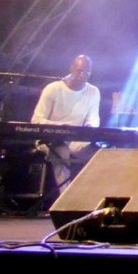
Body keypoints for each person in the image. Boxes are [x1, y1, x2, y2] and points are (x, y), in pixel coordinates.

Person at [30, 54, 100, 189]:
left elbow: (93, 119)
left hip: (76, 139)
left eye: (87, 73)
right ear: (71, 69)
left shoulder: (93, 91)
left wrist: (90, 127)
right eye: (79, 71)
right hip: (49, 139)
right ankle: (65, 197)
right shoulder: (53, 88)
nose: (82, 75)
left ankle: (90, 194)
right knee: (61, 150)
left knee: (98, 153)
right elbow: (36, 120)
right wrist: (62, 127)